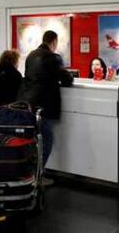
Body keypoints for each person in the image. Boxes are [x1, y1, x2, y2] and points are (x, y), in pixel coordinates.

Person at [18, 30, 73, 182]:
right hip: (44, 105)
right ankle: (38, 176)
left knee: (35, 140)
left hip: (29, 103)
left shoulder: (31, 55)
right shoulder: (51, 58)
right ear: (54, 42)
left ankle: (31, 174)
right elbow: (66, 79)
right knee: (46, 140)